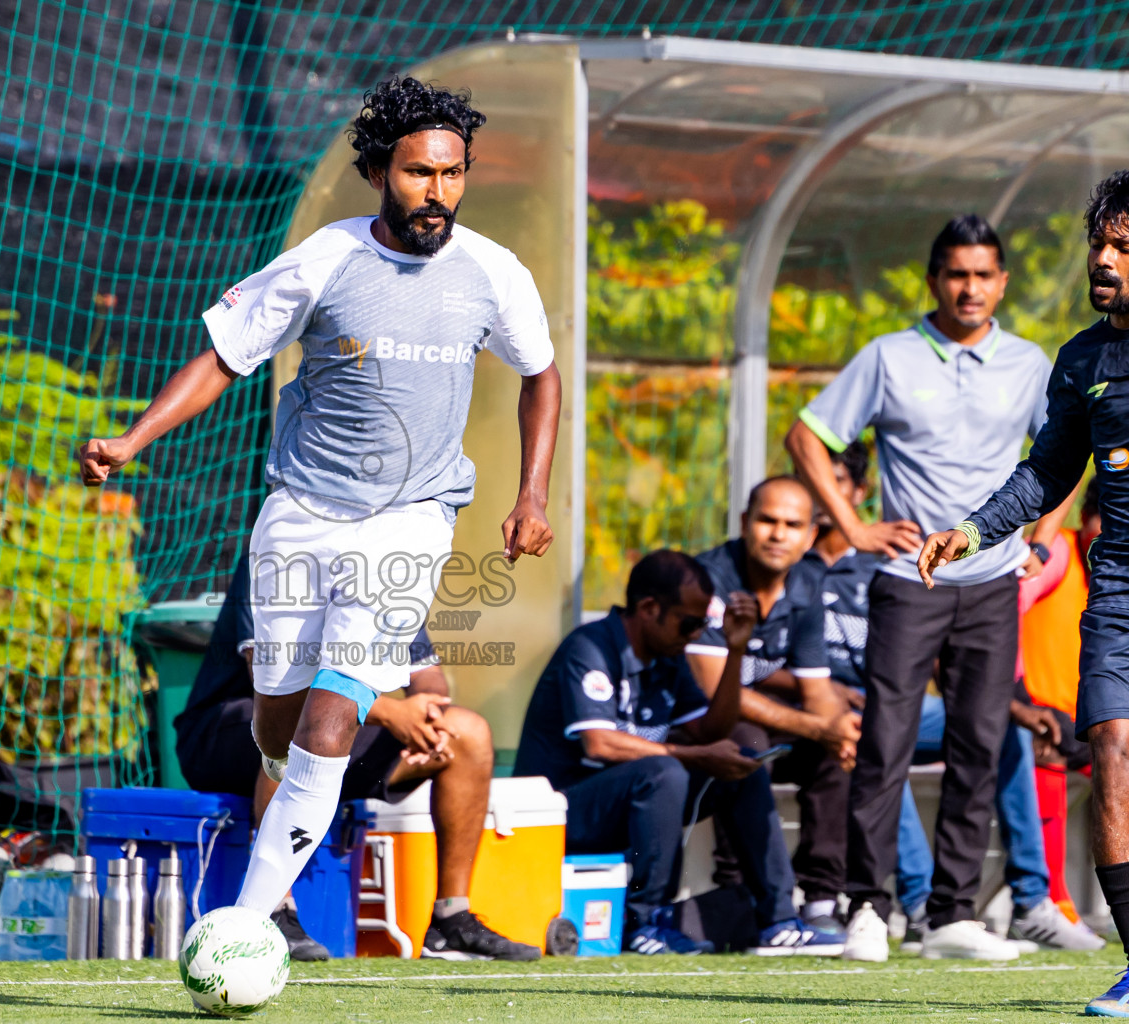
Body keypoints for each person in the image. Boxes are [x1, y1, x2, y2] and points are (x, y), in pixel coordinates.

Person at [77, 77, 561, 946]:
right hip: (301, 514)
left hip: (412, 519)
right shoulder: (322, 260)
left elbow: (540, 373)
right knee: (284, 719)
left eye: (453, 173)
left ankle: (249, 922)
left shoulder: (494, 272)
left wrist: (531, 493)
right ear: (378, 173)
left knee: (334, 713)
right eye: (419, 173)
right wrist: (132, 439)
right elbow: (223, 359)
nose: (438, 192)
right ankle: (274, 832)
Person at [787, 214, 1057, 962]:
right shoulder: (888, 356)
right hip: (908, 580)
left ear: (1002, 282)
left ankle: (950, 916)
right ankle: (868, 908)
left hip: (993, 580)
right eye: (956, 274)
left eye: (983, 275)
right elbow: (807, 436)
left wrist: (1042, 539)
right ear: (934, 280)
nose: (970, 288)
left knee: (980, 743)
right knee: (885, 742)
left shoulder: (1030, 363)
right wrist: (854, 525)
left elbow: (1064, 455)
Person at [920, 174, 1129, 1013]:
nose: (1104, 260)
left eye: (1124, 248)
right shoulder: (1081, 359)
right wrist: (972, 532)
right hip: (1118, 589)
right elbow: (1048, 472)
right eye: (1100, 243)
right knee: (1110, 750)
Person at [174, 553, 537, 961]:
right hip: (231, 727)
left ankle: (450, 921)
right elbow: (272, 679)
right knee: (299, 725)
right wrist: (393, 713)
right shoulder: (280, 549)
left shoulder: (386, 560)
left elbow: (427, 674)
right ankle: (273, 911)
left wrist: (425, 719)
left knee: (467, 734)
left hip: (337, 725)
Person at [809, 444, 1096, 951]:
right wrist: (827, 702)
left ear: (859, 490)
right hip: (828, 709)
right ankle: (908, 902)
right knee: (880, 738)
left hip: (900, 704)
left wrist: (1017, 707)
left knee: (997, 730)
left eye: (838, 481)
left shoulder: (890, 553)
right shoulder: (799, 564)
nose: (820, 497)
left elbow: (947, 652)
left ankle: (1032, 901)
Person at [515, 549, 838, 956]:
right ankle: (644, 922)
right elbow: (600, 742)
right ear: (649, 609)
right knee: (664, 771)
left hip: (630, 803)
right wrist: (691, 756)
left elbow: (711, 731)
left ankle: (778, 920)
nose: (697, 634)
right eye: (689, 623)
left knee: (743, 766)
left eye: (703, 624)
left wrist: (736, 651)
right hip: (562, 813)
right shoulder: (591, 647)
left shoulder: (668, 657)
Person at [685, 476, 860, 946]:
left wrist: (838, 731)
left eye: (792, 525)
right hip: (695, 722)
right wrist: (819, 727)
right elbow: (715, 692)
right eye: (767, 521)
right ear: (745, 522)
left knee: (834, 752)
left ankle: (821, 900)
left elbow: (815, 687)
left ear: (810, 535)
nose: (778, 534)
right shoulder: (708, 578)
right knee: (745, 741)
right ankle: (742, 894)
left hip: (762, 715)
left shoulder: (807, 580)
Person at [1019, 477, 1099, 921]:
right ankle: (1051, 904)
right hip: (1034, 718)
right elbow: (1007, 607)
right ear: (1085, 516)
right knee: (1045, 763)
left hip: (1090, 728)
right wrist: (1019, 703)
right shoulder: (1060, 553)